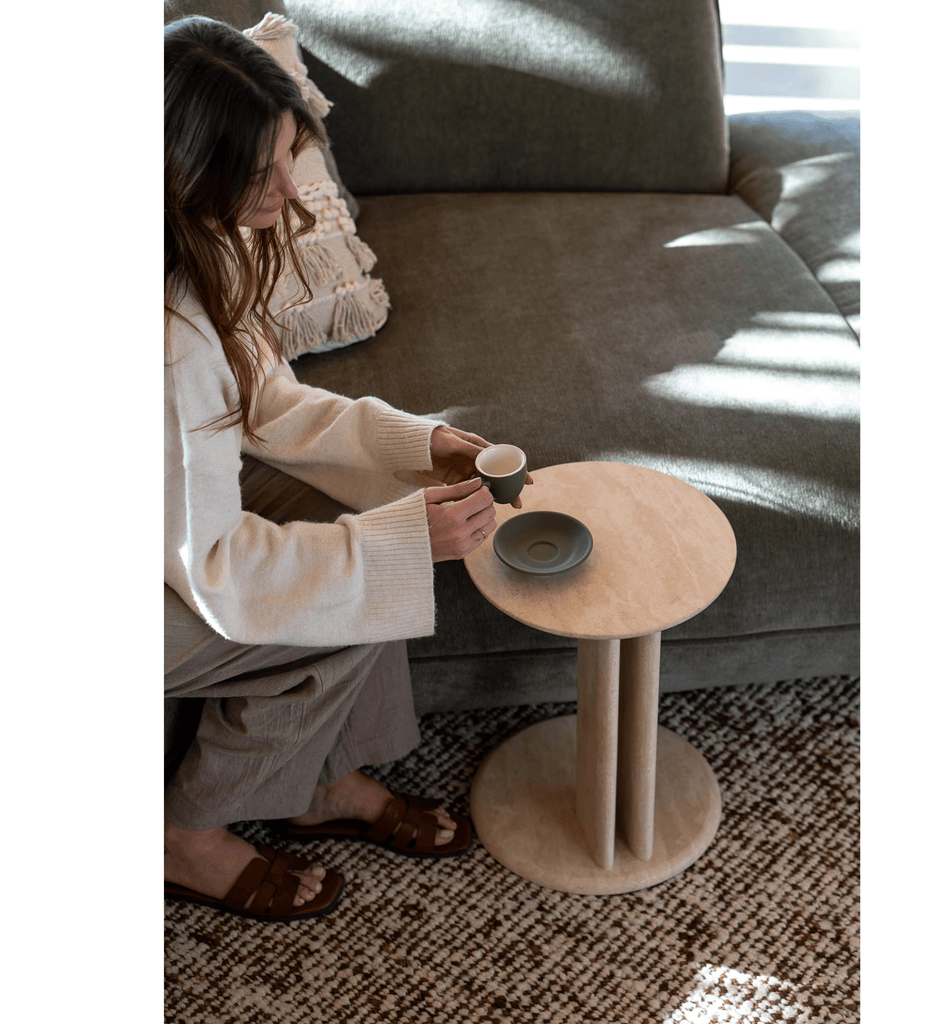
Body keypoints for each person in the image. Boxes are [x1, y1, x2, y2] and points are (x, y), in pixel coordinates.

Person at [164, 16, 529, 921]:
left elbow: (269, 404)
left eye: (291, 154)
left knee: (386, 519)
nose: (290, 194)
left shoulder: (197, 236)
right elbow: (214, 570)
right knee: (363, 587)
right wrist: (399, 547)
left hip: (168, 520)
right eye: (262, 173)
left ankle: (316, 781)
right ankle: (185, 834)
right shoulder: (154, 347)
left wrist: (418, 446)